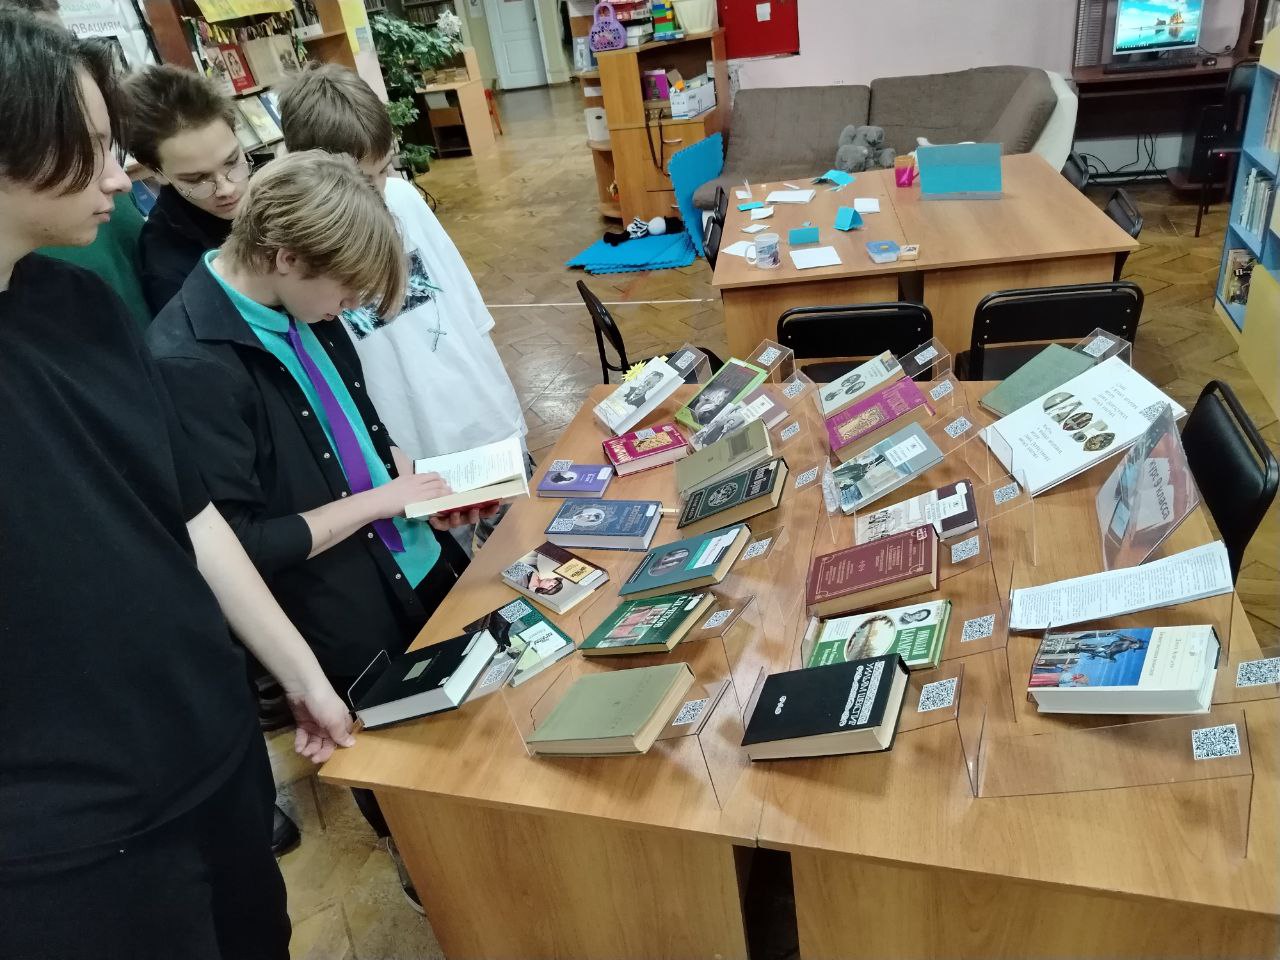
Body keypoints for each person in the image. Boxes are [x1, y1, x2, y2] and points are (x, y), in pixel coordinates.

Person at [0, 13, 354, 958]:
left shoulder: (78, 305)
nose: (121, 178)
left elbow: (191, 512)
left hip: (213, 751)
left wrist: (299, 672)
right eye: (88, 148)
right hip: (68, 843)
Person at [146, 149, 490, 909]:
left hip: (416, 559)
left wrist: (422, 491)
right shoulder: (190, 361)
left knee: (475, 728)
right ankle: (433, 880)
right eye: (344, 290)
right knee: (405, 777)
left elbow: (356, 426)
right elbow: (239, 544)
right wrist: (382, 501)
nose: (348, 307)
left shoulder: (303, 303)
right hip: (340, 610)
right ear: (286, 257)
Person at [275, 63, 528, 553]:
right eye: (365, 180)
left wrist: (502, 410)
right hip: (410, 455)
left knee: (525, 554)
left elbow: (467, 311)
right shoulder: (304, 260)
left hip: (482, 422)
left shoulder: (404, 198)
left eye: (385, 169)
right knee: (460, 572)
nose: (382, 189)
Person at [124, 64, 250, 314]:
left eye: (232, 161)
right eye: (197, 179)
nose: (226, 188)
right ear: (157, 172)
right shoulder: (168, 267)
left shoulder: (276, 189)